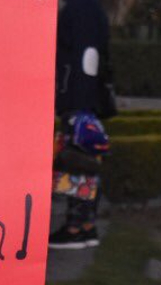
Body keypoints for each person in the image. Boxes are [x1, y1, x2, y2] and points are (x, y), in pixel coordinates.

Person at [50, 0, 113, 250]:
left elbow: (82, 57)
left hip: (79, 99)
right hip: (87, 99)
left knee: (76, 162)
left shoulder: (79, 10)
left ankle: (76, 228)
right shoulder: (92, 9)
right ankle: (85, 226)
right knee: (85, 163)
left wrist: (72, 102)